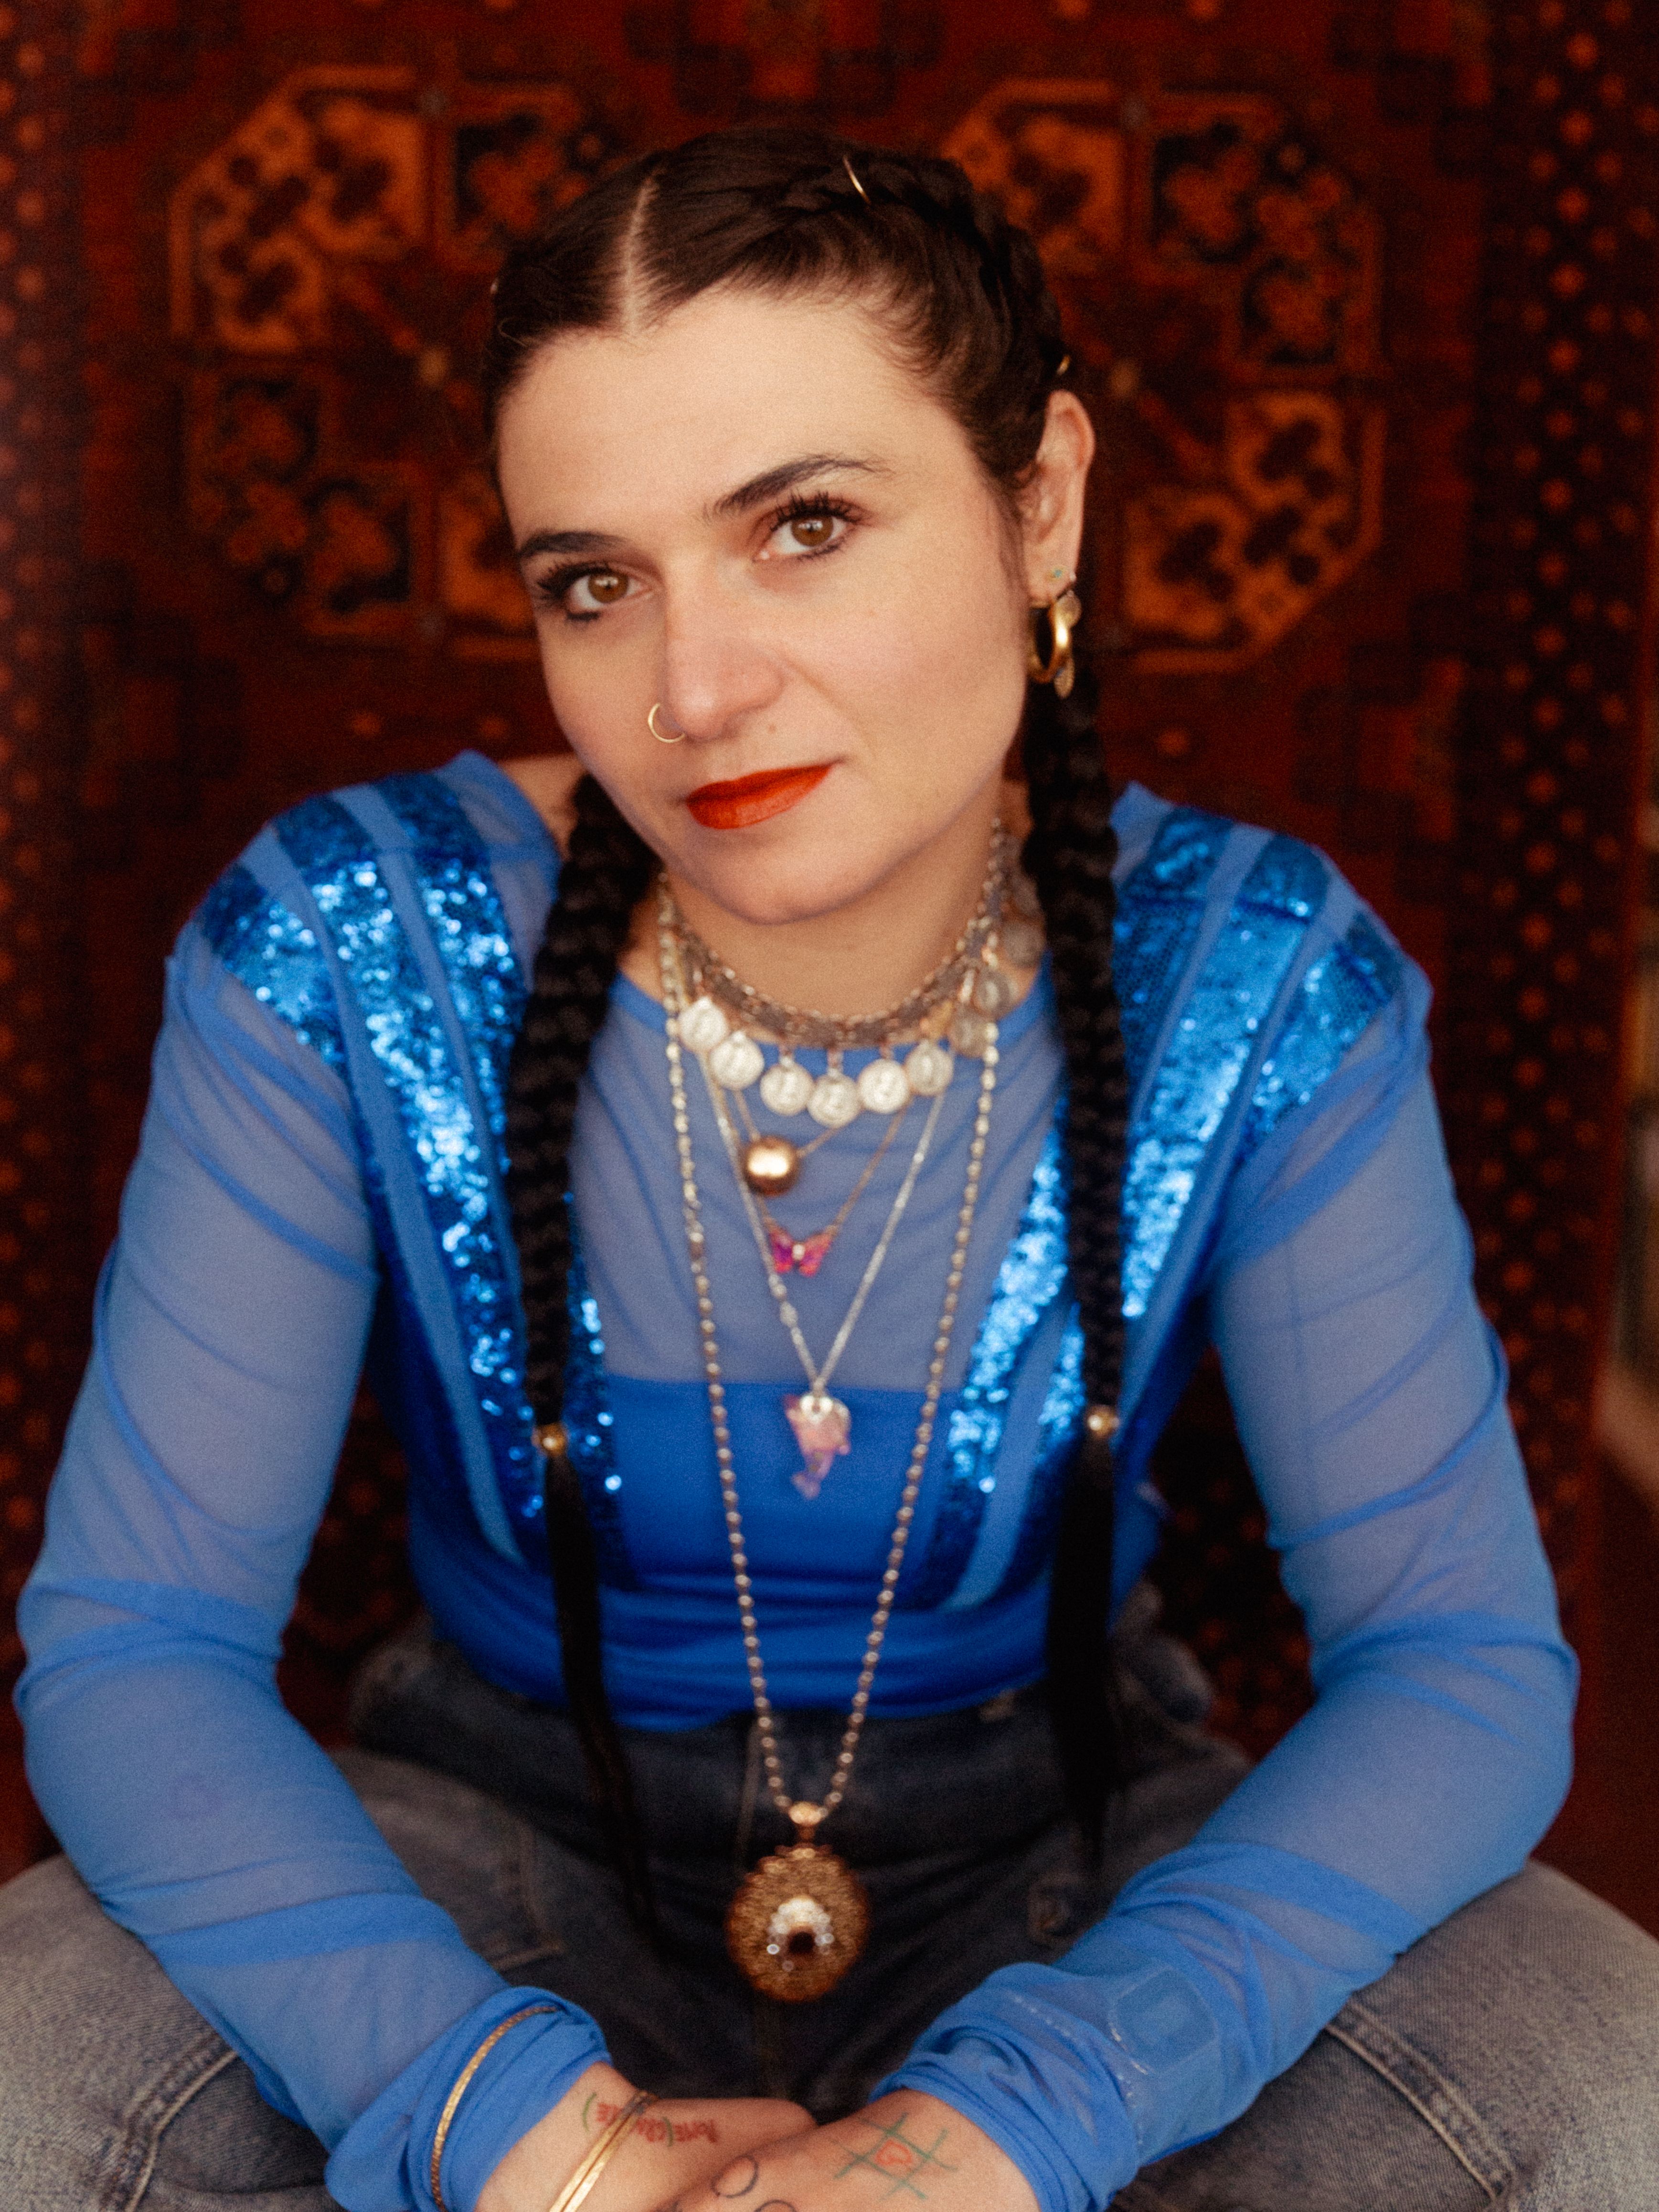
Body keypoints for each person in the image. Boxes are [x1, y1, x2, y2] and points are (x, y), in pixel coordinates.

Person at [3, 123, 1656, 2212]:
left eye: (801, 524)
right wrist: (512, 2132)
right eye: (593, 581)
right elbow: (137, 1643)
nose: (691, 688)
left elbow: (1461, 1665)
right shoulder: (350, 942)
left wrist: (1014, 2125)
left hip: (1064, 1845)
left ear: (1037, 501)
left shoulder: (1253, 975)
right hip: (487, 1835)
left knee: (1613, 2103)